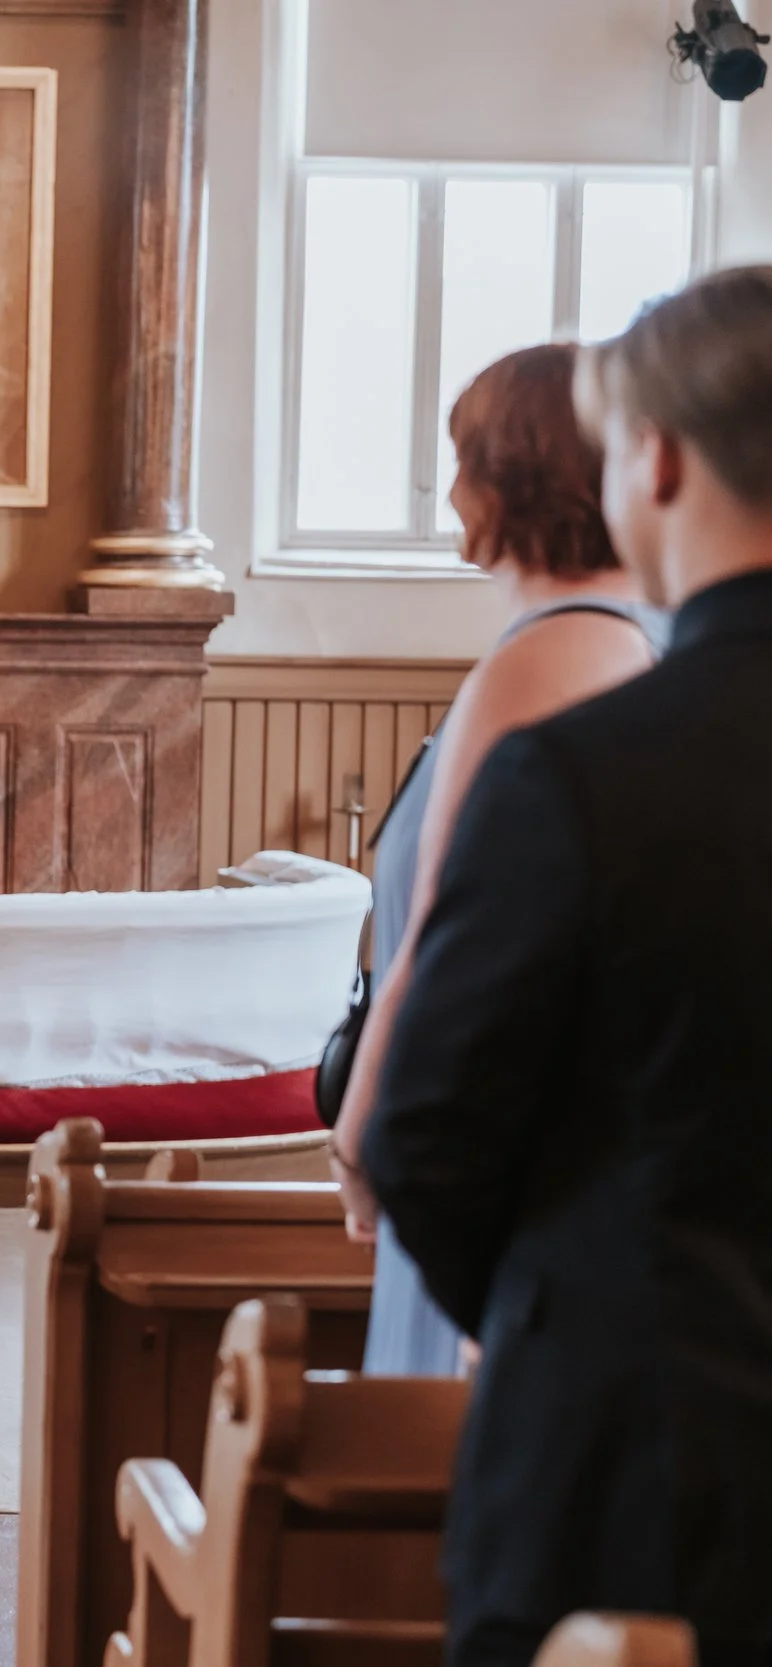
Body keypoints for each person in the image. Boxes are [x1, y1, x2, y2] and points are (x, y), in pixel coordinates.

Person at [365, 265, 772, 1665]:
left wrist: (567, 1317)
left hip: (643, 1467)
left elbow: (428, 1130)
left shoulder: (591, 768)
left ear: (653, 458)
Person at [328, 343, 660, 1375]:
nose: (450, 490)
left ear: (520, 470)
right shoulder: (610, 636)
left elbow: (444, 928)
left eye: (462, 458)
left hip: (479, 1150)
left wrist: (365, 1135)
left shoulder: (551, 657)